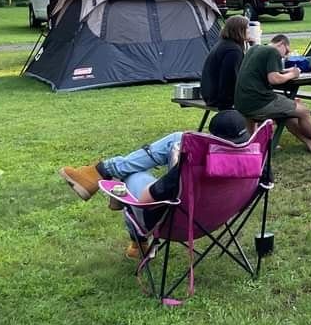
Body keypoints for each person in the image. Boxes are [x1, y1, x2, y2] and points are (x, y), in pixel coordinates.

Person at [58, 110, 251, 258]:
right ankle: (100, 172)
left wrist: (174, 168)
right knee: (178, 139)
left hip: (173, 223)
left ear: (211, 139)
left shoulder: (188, 170)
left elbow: (145, 201)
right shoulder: (256, 165)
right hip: (215, 218)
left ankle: (139, 242)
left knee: (132, 174)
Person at [234, 34, 311, 152]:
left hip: (241, 102)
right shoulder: (272, 51)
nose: (286, 55)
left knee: (287, 114)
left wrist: (285, 71)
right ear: (281, 43)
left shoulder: (255, 49)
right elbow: (274, 79)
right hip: (260, 101)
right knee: (304, 111)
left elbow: (266, 72)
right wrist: (293, 74)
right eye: (286, 51)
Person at [200, 15, 249, 109]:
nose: (249, 31)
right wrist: (228, 104)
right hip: (218, 99)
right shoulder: (233, 50)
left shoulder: (224, 44)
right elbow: (229, 79)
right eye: (247, 28)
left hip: (209, 94)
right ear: (239, 30)